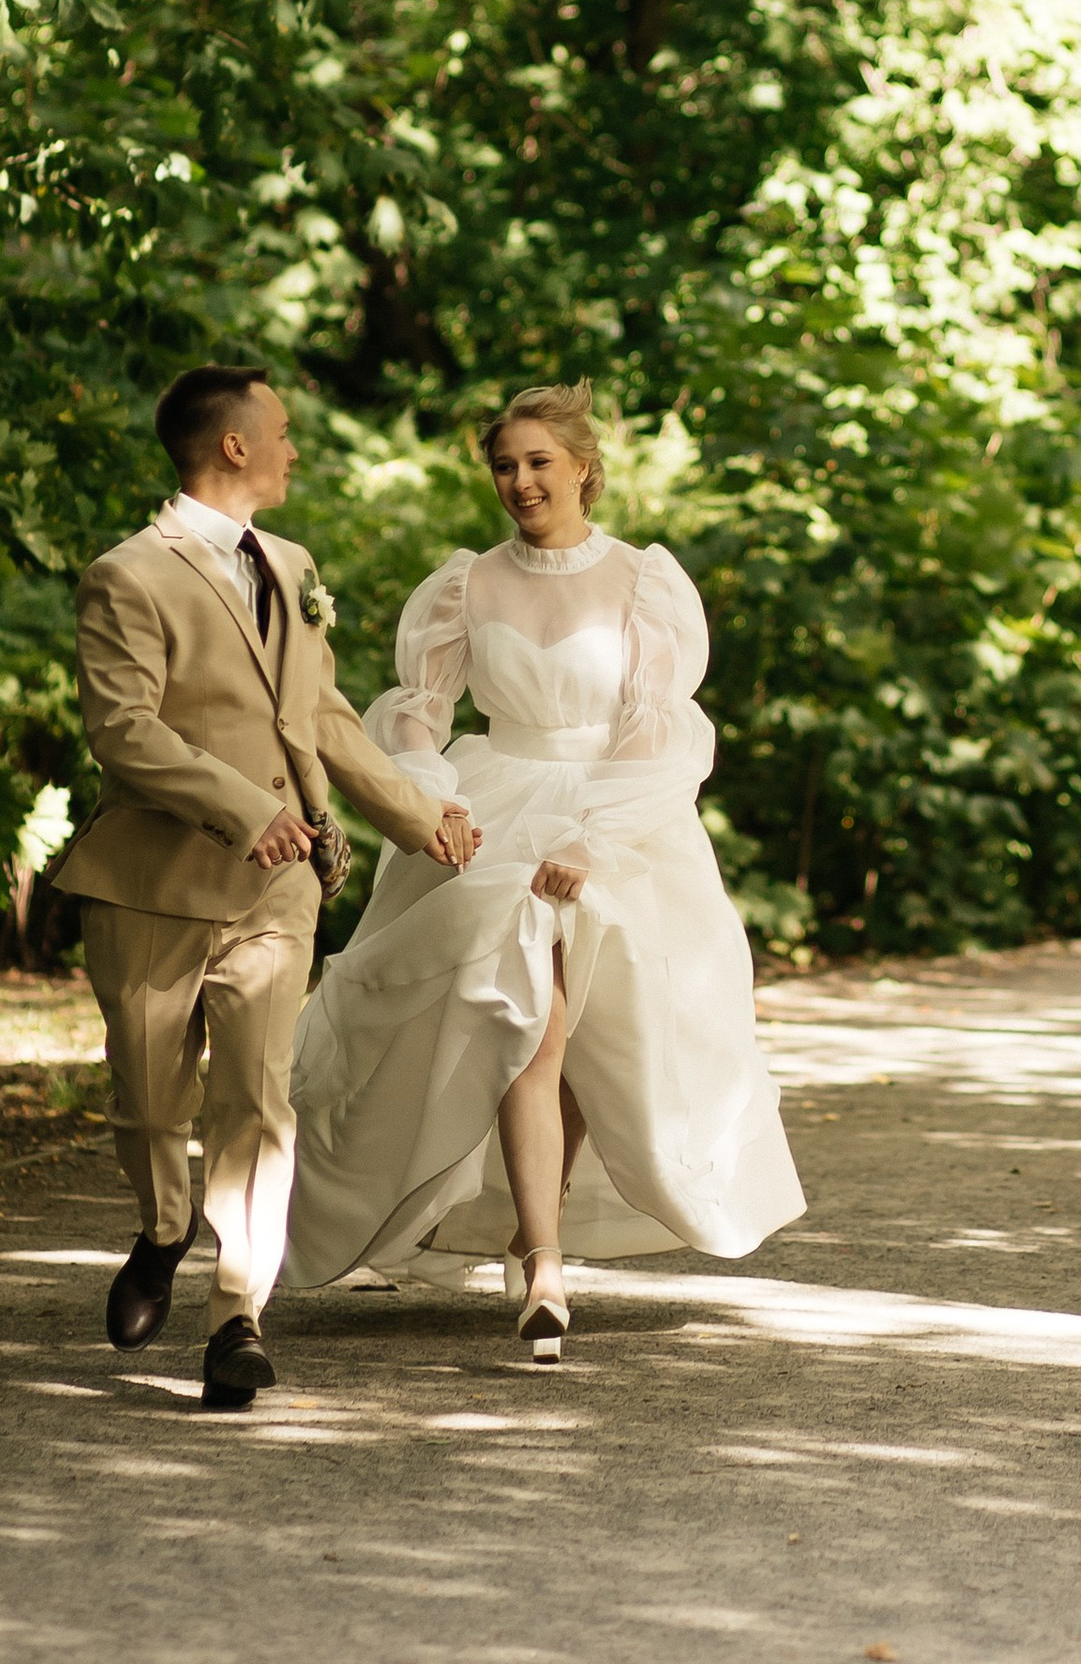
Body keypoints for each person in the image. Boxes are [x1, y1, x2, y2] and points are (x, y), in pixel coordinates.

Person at [281, 381, 804, 1362]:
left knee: (581, 1033)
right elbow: (415, 711)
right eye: (503, 466)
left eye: (537, 463)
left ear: (583, 470)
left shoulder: (644, 582)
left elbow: (659, 728)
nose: (520, 481)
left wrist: (591, 841)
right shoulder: (464, 585)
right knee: (533, 1021)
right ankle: (546, 1263)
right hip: (496, 811)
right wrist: (431, 795)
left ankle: (538, 1231)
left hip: (614, 815)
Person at [50, 364, 473, 1413]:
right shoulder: (126, 576)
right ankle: (162, 1229)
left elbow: (320, 716)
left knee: (258, 1099)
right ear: (232, 445)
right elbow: (124, 730)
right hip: (150, 884)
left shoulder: (291, 565)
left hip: (278, 894)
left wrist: (417, 816)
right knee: (153, 1101)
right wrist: (244, 808)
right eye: (279, 431)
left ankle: (237, 1314)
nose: (292, 449)